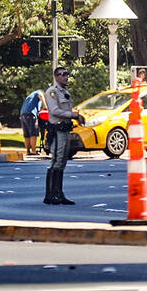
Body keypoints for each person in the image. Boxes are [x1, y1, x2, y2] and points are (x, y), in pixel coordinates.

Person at [43, 67, 84, 205]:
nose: (66, 77)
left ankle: (59, 194)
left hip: (65, 129)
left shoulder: (64, 92)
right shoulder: (52, 92)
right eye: (63, 75)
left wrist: (76, 117)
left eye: (67, 74)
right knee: (56, 160)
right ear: (56, 76)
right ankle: (50, 194)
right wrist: (72, 115)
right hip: (57, 130)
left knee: (62, 162)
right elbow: (54, 111)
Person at [19, 89, 45, 155]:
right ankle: (34, 151)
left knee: (27, 134)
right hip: (31, 114)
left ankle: (28, 151)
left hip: (23, 114)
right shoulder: (38, 92)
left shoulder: (30, 96)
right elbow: (41, 95)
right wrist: (46, 107)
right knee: (33, 133)